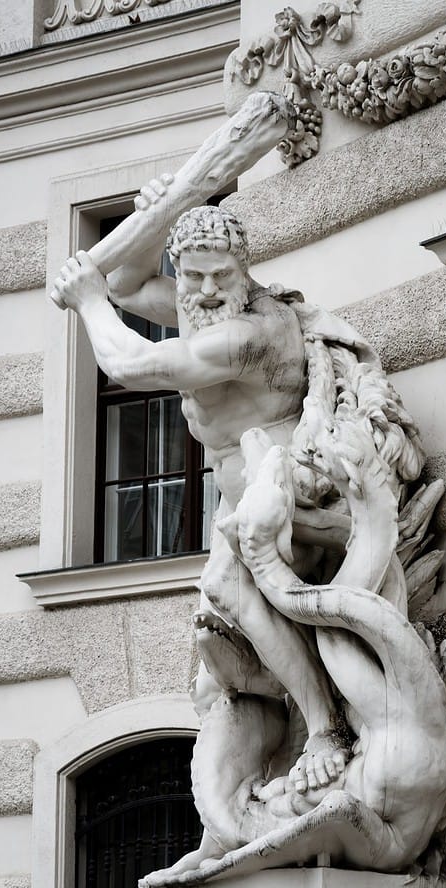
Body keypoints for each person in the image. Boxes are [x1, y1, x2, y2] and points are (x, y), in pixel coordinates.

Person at [53, 197, 354, 793]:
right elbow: (131, 284)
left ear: (245, 272)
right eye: (193, 275)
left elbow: (132, 364)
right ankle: (283, 745)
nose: (209, 291)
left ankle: (328, 728)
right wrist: (158, 217)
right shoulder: (198, 304)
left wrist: (87, 302)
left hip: (288, 484)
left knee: (227, 586)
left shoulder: (247, 333)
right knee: (218, 666)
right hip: (235, 488)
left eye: (223, 276)